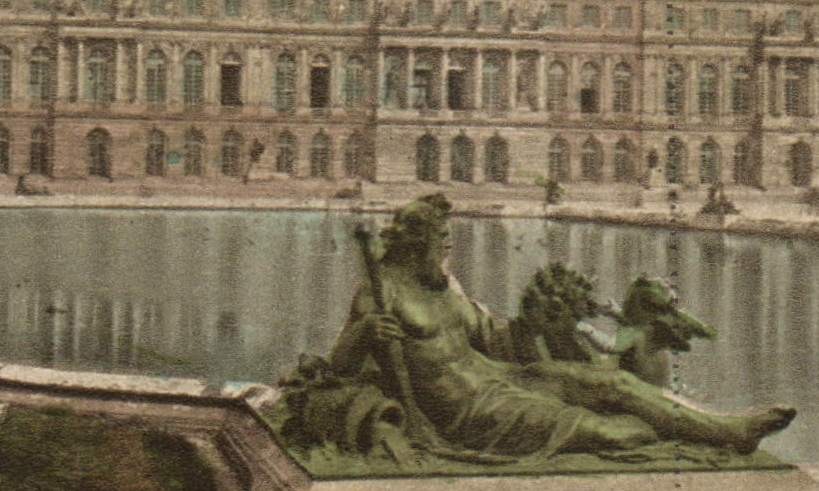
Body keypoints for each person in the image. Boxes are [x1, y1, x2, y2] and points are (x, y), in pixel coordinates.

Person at [320, 194, 793, 461]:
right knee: (614, 433)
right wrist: (365, 335)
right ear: (417, 243)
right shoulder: (381, 292)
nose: (448, 248)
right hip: (466, 412)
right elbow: (338, 367)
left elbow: (495, 340)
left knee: (610, 380)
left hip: (500, 381)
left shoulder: (443, 285)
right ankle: (679, 434)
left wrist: (532, 323)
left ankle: (731, 431)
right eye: (441, 240)